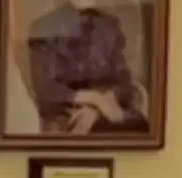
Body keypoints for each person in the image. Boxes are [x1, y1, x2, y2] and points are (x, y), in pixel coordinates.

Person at [28, 0, 149, 136]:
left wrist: (97, 110)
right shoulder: (43, 28)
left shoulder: (109, 24)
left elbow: (123, 81)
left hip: (108, 113)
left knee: (140, 130)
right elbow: (45, 90)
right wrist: (94, 99)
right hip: (66, 116)